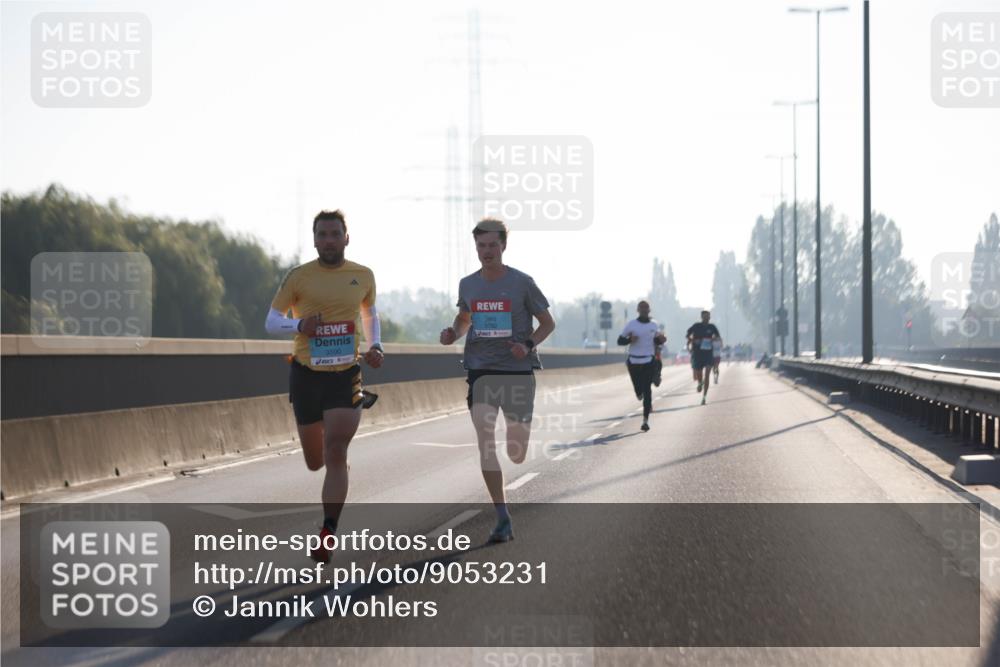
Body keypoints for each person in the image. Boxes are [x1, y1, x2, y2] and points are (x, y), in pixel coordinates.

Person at [264, 209, 384, 563]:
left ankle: (328, 531)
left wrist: (375, 345)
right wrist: (300, 327)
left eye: (335, 234)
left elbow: (370, 315)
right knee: (315, 460)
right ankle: (333, 472)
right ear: (314, 239)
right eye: (322, 235)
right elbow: (271, 322)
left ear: (347, 238)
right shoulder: (299, 277)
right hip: (306, 374)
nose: (329, 241)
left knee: (336, 450)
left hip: (346, 374)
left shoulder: (362, 275)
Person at [440, 219, 555, 543]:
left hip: (517, 372)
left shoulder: (522, 283)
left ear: (504, 246)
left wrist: (527, 345)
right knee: (485, 438)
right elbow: (465, 319)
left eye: (492, 245)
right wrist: (453, 334)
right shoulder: (468, 284)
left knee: (517, 451)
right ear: (475, 247)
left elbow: (548, 323)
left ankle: (516, 448)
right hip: (481, 370)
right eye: (481, 246)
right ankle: (502, 515)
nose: (486, 252)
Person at [617, 301, 666, 432]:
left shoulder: (653, 325)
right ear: (638, 310)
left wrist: (661, 339)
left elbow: (657, 341)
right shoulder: (631, 325)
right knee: (639, 390)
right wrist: (629, 340)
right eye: (642, 308)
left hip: (648, 360)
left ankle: (645, 421)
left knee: (648, 391)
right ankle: (639, 393)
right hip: (633, 361)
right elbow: (620, 340)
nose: (644, 310)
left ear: (649, 310)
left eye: (646, 308)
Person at [686, 310, 721, 405]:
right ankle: (700, 383)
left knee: (708, 374)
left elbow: (718, 337)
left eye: (708, 316)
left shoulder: (712, 327)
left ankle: (704, 397)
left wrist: (714, 339)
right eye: (705, 316)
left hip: (708, 353)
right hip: (697, 353)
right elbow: (688, 335)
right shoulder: (696, 326)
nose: (707, 318)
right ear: (701, 317)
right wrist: (693, 340)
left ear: (710, 317)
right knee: (699, 374)